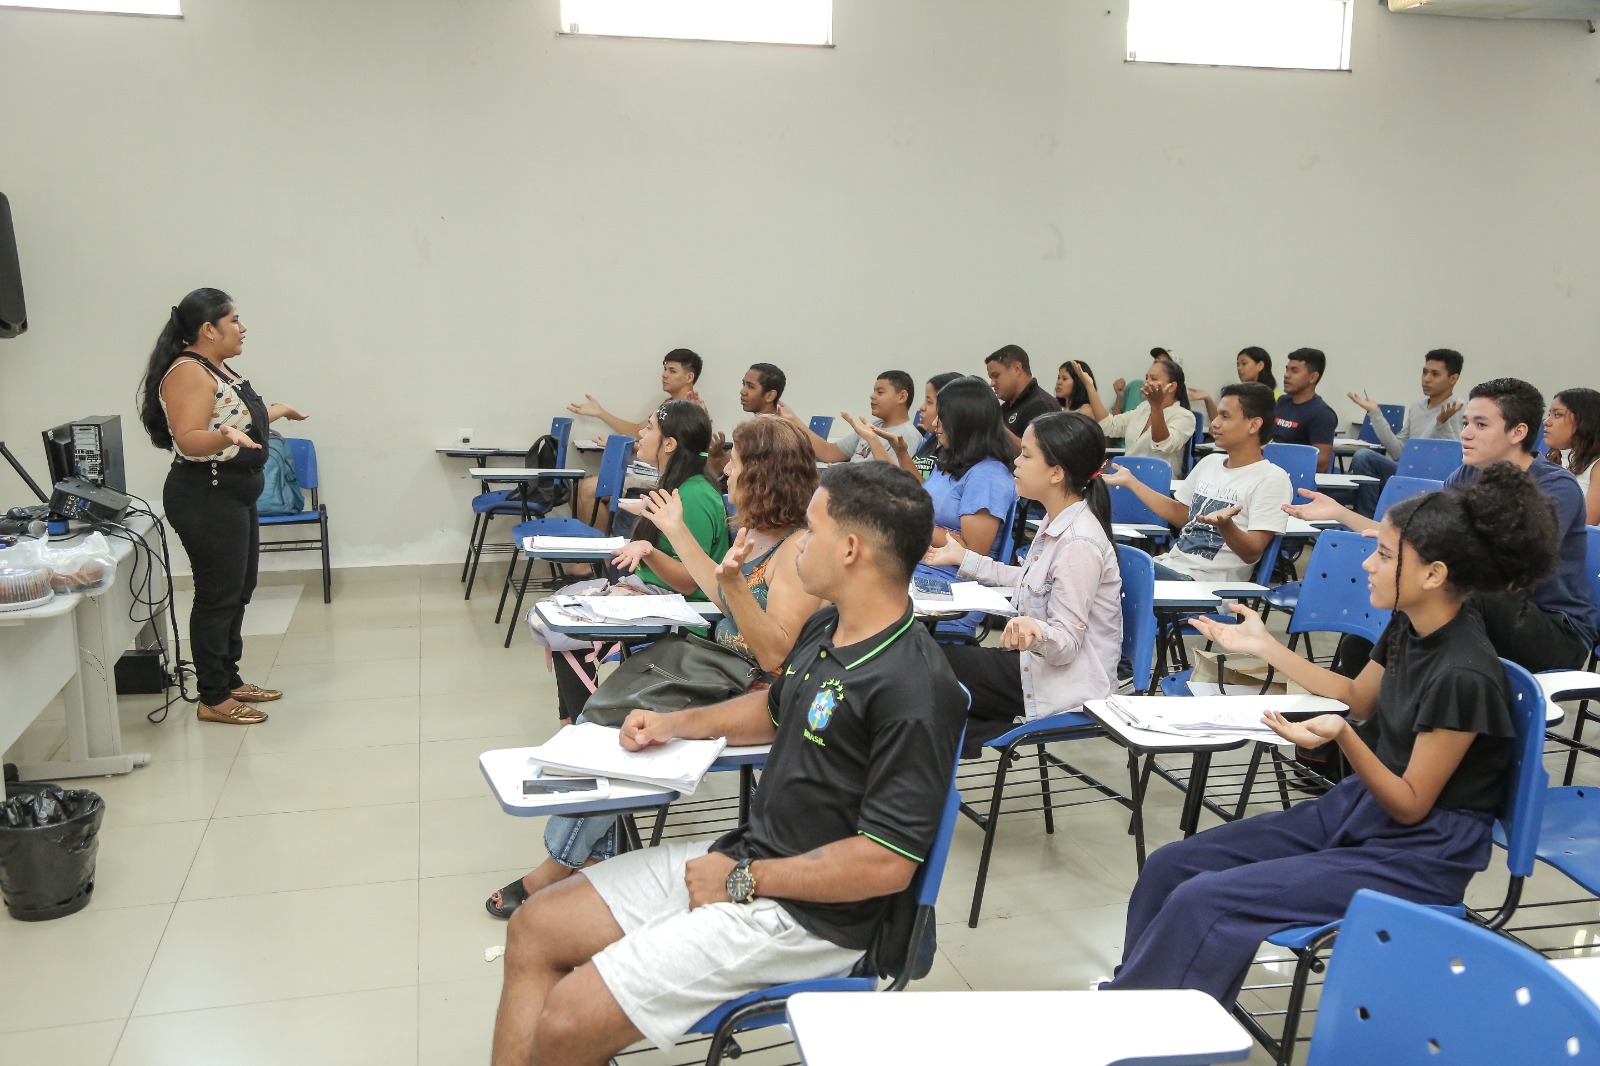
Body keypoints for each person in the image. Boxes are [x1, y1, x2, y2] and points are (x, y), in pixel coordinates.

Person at [490, 462, 967, 1065]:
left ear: (850, 549)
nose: (800, 545)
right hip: (750, 858)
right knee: (535, 928)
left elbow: (886, 863)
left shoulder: (914, 689)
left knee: (567, 1020)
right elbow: (775, 707)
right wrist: (672, 723)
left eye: (812, 531)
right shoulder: (831, 625)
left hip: (810, 919)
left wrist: (742, 880)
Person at [1102, 463, 1558, 1005]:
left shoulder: (1464, 673)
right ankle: (1130, 1006)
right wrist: (1266, 649)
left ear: (1433, 574)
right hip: (1366, 809)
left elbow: (1412, 804)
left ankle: (1156, 1038)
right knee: (1170, 867)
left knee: (1206, 900)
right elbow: (1359, 697)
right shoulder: (1411, 624)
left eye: (1385, 555)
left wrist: (1344, 736)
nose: (1367, 562)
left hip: (1420, 852)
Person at [487, 415, 821, 918]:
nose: (726, 469)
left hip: (755, 689)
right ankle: (592, 856)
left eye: (738, 462)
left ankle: (561, 864)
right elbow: (721, 592)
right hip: (719, 666)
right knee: (603, 714)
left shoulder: (796, 548)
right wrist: (674, 531)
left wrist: (728, 584)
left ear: (764, 474)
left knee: (620, 730)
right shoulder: (756, 533)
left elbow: (775, 653)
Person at [1287, 377, 1597, 673]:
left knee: (1445, 595)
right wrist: (1341, 513)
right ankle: (1356, 707)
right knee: (1365, 644)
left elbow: (1508, 570)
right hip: (1483, 609)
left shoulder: (1557, 487)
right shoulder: (1467, 474)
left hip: (1554, 628)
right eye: (1465, 423)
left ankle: (1364, 703)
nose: (1466, 433)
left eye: (1481, 425)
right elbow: (1421, 534)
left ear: (1517, 433)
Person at [136, 288, 307, 726]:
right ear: (208, 330)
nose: (242, 327)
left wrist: (277, 411)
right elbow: (190, 437)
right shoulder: (186, 372)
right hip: (204, 495)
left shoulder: (217, 368)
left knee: (239, 589)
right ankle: (213, 697)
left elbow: (233, 417)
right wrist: (225, 438)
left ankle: (228, 679)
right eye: (233, 320)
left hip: (233, 492)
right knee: (217, 596)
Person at [926, 412, 1122, 753]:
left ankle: (944, 750)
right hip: (1032, 664)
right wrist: (963, 558)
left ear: (1057, 473)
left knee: (926, 666)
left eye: (1027, 455)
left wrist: (1035, 629)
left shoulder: (1079, 543)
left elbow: (1066, 645)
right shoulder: (1057, 518)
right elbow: (1032, 579)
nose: (1015, 462)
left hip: (1057, 679)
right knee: (926, 663)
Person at [531, 400, 731, 723]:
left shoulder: (692, 495)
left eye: (649, 427)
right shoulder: (678, 483)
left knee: (571, 637)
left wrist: (647, 552)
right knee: (562, 614)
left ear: (669, 444)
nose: (641, 432)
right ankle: (572, 728)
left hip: (684, 616)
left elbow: (689, 581)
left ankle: (582, 731)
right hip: (655, 597)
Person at [1103, 382, 1289, 583]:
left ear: (1254, 424)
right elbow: (1182, 516)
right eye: (1217, 415)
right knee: (1102, 561)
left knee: (1110, 568)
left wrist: (1226, 526)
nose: (1215, 423)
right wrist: (1132, 482)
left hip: (1203, 585)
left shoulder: (1271, 478)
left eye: (1225, 416)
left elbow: (1252, 553)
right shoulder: (1210, 462)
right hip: (1170, 566)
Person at [912, 376, 1019, 636]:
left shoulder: (988, 476)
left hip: (952, 587)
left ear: (965, 422)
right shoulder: (948, 462)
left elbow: (973, 553)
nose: (936, 423)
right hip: (920, 571)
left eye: (943, 416)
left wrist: (910, 525)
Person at [567, 349, 706, 532]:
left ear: (689, 377)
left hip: (664, 476)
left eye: (672, 371)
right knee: (578, 488)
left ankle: (598, 554)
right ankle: (592, 550)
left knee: (586, 490)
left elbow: (675, 450)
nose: (664, 375)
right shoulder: (668, 403)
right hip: (648, 471)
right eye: (664, 369)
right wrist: (601, 413)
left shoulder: (691, 410)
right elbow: (637, 431)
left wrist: (631, 445)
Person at [1345, 348, 1465, 516]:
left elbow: (1455, 460)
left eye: (1435, 374)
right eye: (1424, 372)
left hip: (1438, 480)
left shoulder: (1458, 408)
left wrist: (1442, 424)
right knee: (1364, 458)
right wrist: (1375, 413)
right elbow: (1397, 452)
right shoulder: (1417, 407)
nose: (1426, 379)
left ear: (1453, 378)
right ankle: (1369, 522)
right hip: (1408, 472)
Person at [1076, 357, 1197, 473]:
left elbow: (1163, 444)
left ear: (1172, 387)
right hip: (1126, 478)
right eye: (1146, 377)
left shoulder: (1185, 416)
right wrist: (1089, 386)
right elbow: (1109, 425)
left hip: (1158, 484)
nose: (1146, 382)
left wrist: (1156, 407)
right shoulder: (1143, 408)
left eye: (1153, 379)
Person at [785, 370, 923, 464]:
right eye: (874, 391)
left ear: (902, 396)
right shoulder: (874, 426)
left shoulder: (908, 435)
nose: (872, 396)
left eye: (880, 392)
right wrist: (792, 418)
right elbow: (829, 453)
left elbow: (895, 481)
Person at [1273, 348, 1338, 473]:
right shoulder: (1282, 402)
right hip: (1273, 471)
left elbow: (1321, 463)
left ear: (1313, 377)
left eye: (1294, 371)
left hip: (1297, 477)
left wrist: (1278, 459)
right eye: (1287, 369)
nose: (1286, 375)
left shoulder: (1322, 413)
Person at [1544, 387, 1600, 525]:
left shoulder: (1597, 466)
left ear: (1584, 421)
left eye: (1557, 415)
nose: (1546, 422)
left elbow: (1586, 524)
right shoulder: (1550, 461)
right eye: (1549, 414)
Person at [986, 344, 1060, 440]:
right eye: (991, 378)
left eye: (996, 376)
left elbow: (1040, 452)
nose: (992, 383)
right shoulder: (1004, 408)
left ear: (1017, 369)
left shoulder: (1041, 405)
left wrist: (997, 428)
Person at [1190, 347, 1276, 423]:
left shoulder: (1273, 397)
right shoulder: (1238, 394)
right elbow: (1220, 420)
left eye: (1244, 363)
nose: (1239, 368)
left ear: (1260, 365)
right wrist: (1207, 398)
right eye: (1238, 364)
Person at [1111, 348, 1175, 416]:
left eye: (1164, 364)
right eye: (1156, 362)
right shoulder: (1134, 386)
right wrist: (1119, 397)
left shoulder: (1176, 412)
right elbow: (1114, 423)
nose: (1158, 366)